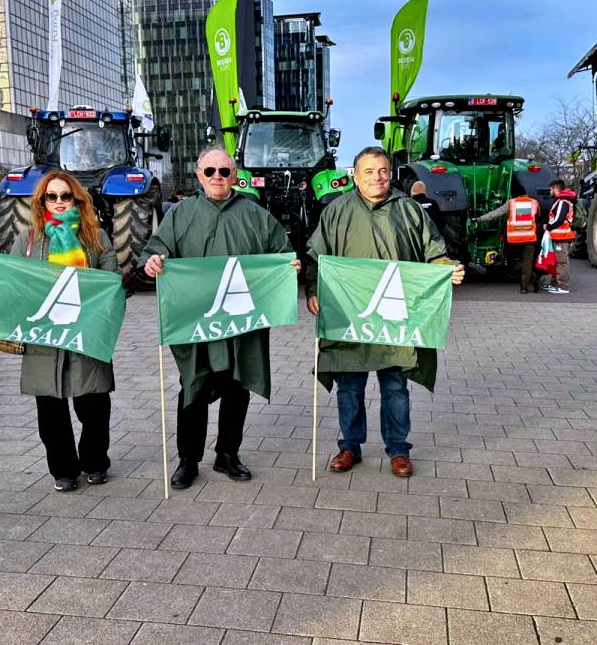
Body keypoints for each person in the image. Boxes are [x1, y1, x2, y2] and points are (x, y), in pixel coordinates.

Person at [139, 146, 298, 490]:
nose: (217, 178)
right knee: (192, 386)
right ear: (199, 175)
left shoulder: (255, 215)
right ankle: (187, 459)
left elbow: (281, 251)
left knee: (237, 385)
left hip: (242, 321)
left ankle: (228, 454)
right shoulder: (181, 213)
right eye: (209, 171)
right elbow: (156, 248)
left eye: (224, 172)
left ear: (235, 176)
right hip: (196, 319)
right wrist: (153, 261)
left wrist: (289, 265)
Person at [306, 146, 465, 478]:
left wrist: (446, 268)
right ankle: (350, 446)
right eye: (368, 171)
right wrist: (312, 290)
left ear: (390, 173)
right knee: (350, 385)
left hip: (396, 317)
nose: (377, 177)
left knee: (394, 385)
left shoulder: (409, 210)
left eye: (382, 170)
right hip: (351, 316)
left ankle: (398, 449)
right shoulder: (336, 211)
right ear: (354, 175)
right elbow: (316, 258)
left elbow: (433, 251)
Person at [0, 170, 118, 492]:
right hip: (44, 337)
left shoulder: (96, 238)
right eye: (50, 197)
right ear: (41, 202)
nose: (58, 202)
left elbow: (111, 283)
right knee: (51, 412)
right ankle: (64, 470)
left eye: (64, 196)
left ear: (76, 200)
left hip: (84, 332)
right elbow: (11, 287)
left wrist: (123, 286)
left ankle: (95, 461)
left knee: (93, 405)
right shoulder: (28, 240)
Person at [469, 192, 540, 293]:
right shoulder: (534, 202)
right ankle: (525, 286)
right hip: (530, 238)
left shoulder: (511, 202)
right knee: (527, 262)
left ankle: (531, 278)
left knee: (515, 260)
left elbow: (496, 214)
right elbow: (538, 217)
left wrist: (479, 219)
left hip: (515, 239)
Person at [543, 180, 577, 294]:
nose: (549, 192)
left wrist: (547, 227)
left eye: (550, 189)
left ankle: (563, 286)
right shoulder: (562, 201)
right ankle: (555, 284)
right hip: (559, 237)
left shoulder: (562, 202)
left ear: (555, 188)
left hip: (562, 237)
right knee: (557, 261)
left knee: (562, 262)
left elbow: (559, 219)